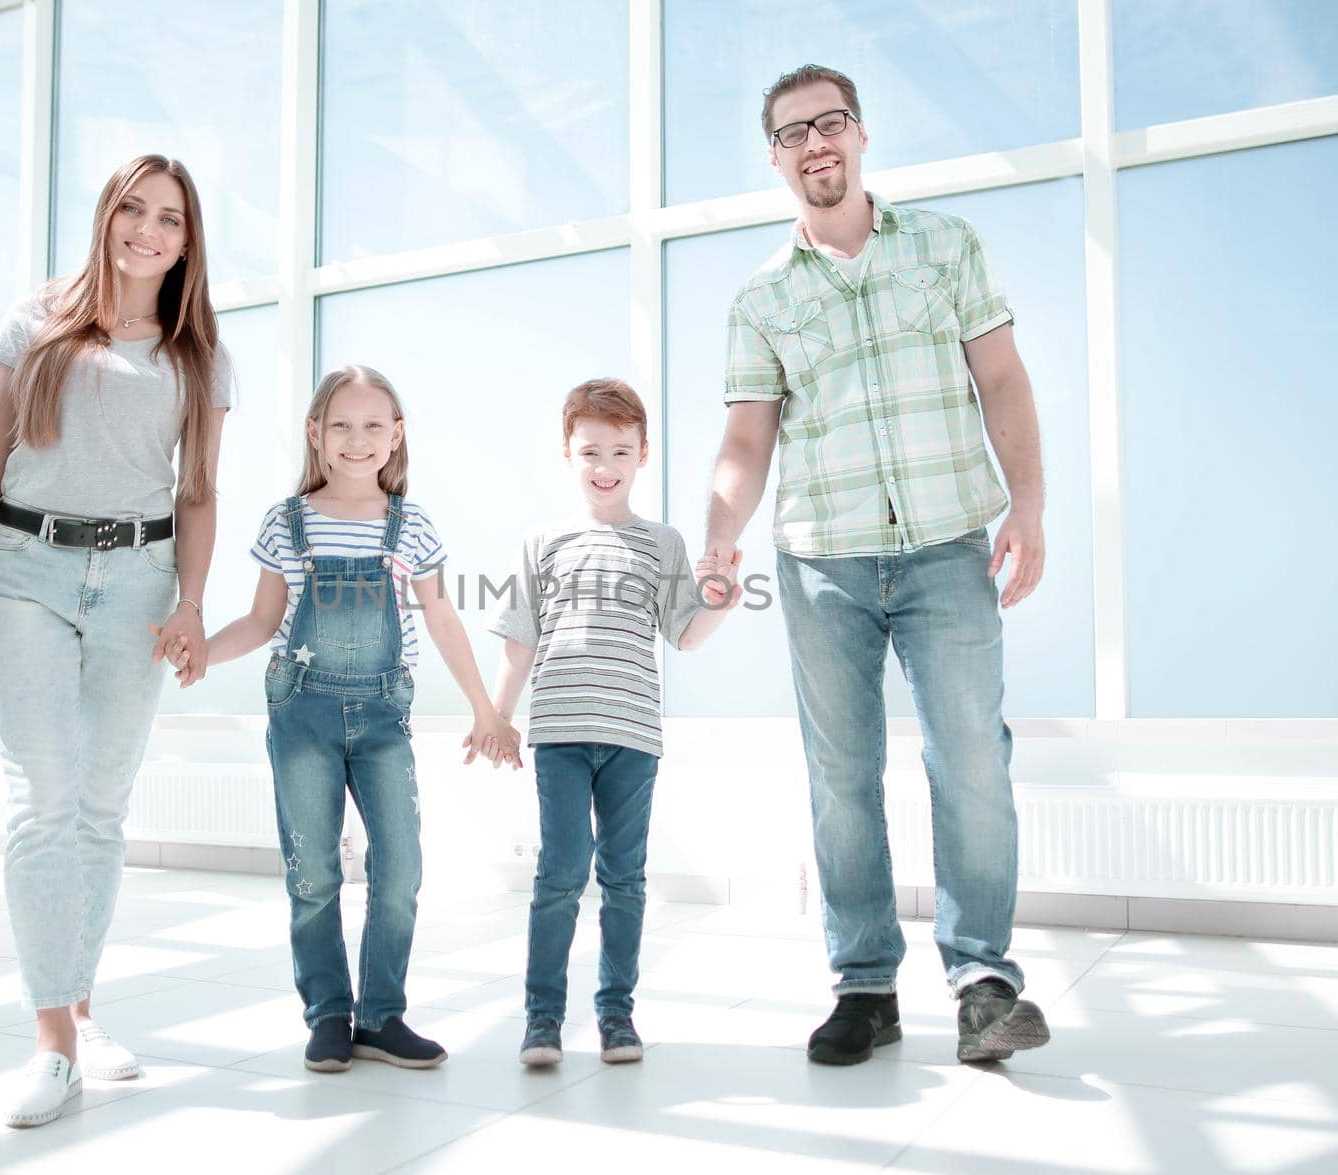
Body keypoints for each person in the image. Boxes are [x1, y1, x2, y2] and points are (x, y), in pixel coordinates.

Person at [703, 65, 1051, 1066]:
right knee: (841, 778)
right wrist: (720, 534)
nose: (813, 142)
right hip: (824, 563)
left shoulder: (945, 247)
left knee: (972, 760)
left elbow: (1001, 379)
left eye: (828, 122)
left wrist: (1027, 504)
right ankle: (863, 986)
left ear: (857, 135)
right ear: (774, 156)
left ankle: (982, 981)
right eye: (791, 131)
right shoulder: (761, 297)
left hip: (947, 544)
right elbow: (745, 438)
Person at [0, 155, 235, 1125]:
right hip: (28, 569)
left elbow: (198, 489)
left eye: (169, 217)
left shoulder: (198, 353)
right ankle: (52, 1040)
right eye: (132, 208)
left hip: (139, 580)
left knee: (100, 805)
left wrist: (190, 602)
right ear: (106, 217)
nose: (147, 228)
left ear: (188, 239)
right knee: (44, 797)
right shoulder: (40, 318)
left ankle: (82, 1004)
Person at [164, 364, 518, 1073]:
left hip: (385, 716)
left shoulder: (410, 524)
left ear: (396, 436)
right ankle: (329, 1013)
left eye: (372, 425)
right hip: (304, 714)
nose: (357, 439)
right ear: (316, 434)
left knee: (401, 866)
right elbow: (265, 620)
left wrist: (485, 706)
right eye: (342, 425)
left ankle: (382, 1014)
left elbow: (442, 618)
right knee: (312, 871)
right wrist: (206, 648)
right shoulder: (286, 520)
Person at [487, 378, 740, 1068]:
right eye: (590, 449)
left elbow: (685, 634)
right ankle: (542, 1019)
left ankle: (616, 1015)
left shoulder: (663, 543)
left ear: (642, 453)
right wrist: (498, 715)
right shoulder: (544, 540)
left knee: (625, 877)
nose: (605, 464)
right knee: (560, 873)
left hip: (633, 739)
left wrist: (721, 599)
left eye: (620, 450)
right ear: (567, 454)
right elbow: (519, 639)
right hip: (560, 736)